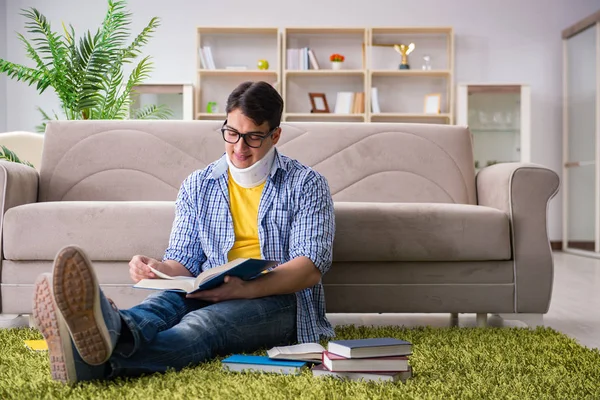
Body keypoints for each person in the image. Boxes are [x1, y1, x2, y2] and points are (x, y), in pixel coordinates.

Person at [32, 81, 336, 384]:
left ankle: (93, 359)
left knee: (202, 325)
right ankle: (107, 327)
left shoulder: (306, 184)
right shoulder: (199, 184)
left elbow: (308, 269)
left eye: (253, 137)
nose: (239, 148)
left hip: (278, 299)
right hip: (209, 287)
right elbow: (183, 261)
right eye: (231, 133)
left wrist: (246, 289)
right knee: (159, 306)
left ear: (275, 135)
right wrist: (157, 269)